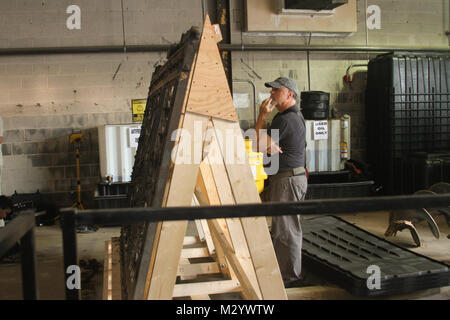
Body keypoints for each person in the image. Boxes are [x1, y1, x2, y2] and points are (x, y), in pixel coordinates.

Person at [255, 76, 307, 288]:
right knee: (284, 229)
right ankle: (286, 274)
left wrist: (261, 115)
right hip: (290, 179)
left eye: (277, 90)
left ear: (290, 94)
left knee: (286, 231)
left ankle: (291, 279)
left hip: (287, 181)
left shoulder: (285, 120)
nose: (272, 94)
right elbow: (266, 146)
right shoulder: (293, 117)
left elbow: (258, 144)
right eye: (271, 90)